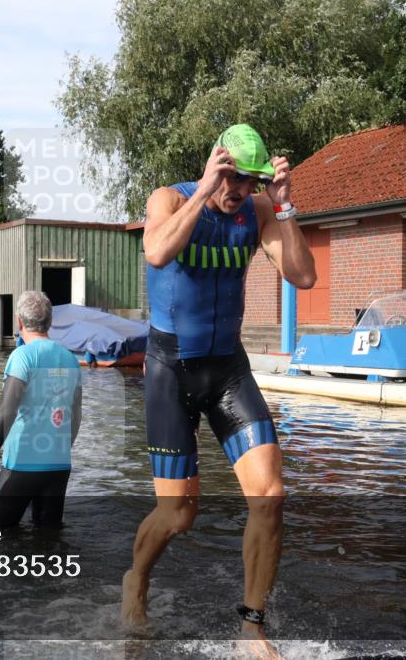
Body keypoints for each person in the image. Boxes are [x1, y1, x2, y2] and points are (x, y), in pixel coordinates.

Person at [122, 124, 316, 657]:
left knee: (270, 496)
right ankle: (137, 577)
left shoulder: (256, 212)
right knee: (180, 515)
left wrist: (284, 206)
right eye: (231, 179)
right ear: (215, 165)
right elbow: (158, 252)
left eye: (246, 183)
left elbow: (303, 278)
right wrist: (204, 190)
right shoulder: (170, 198)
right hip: (171, 369)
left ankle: (252, 626)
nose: (237, 192)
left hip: (228, 369)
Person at [0, 291, 83, 529]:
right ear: (50, 322)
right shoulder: (70, 359)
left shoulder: (22, 357)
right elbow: (76, 415)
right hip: (58, 465)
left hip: (22, 465)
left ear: (19, 322)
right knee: (48, 539)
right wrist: (62, 448)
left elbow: (7, 409)